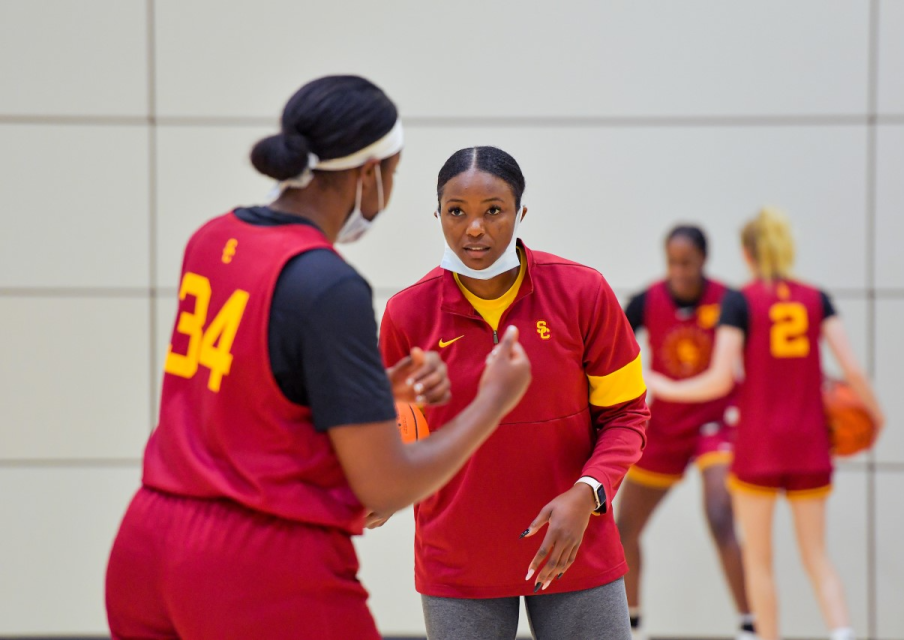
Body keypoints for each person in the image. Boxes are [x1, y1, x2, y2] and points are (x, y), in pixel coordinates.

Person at [104, 76, 531, 640]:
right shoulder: (328, 283)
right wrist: (492, 403)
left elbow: (252, 385)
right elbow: (385, 487)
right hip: (253, 562)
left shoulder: (211, 239)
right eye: (395, 174)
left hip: (146, 544)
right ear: (369, 173)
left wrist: (367, 388)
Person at [378, 146, 650, 640]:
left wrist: (588, 493)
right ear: (438, 214)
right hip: (457, 562)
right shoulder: (406, 315)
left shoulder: (583, 292)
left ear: (521, 213)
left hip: (574, 545)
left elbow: (627, 415)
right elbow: (396, 435)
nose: (474, 228)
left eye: (493, 211)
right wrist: (382, 489)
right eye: (456, 212)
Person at [646, 208, 884, 640]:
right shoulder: (816, 297)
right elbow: (853, 371)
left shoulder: (740, 301)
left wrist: (663, 386)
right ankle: (843, 631)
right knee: (817, 556)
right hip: (811, 445)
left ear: (746, 252)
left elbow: (719, 379)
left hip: (758, 448)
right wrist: (877, 416)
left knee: (759, 560)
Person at [617, 225, 754, 640]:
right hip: (666, 425)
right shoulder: (646, 300)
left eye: (687, 263)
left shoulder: (729, 300)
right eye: (672, 262)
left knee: (719, 514)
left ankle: (750, 624)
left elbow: (734, 371)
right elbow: (611, 345)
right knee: (624, 527)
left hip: (715, 422)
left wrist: (661, 384)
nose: (679, 270)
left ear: (702, 261)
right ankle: (632, 623)